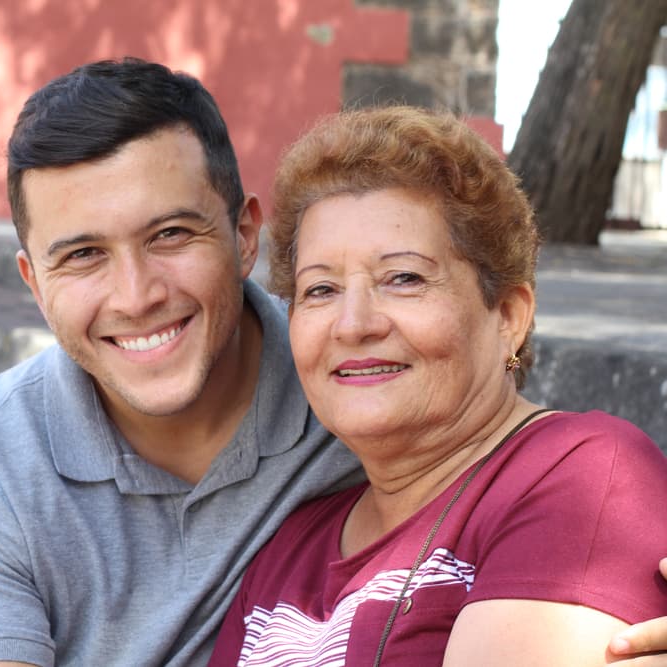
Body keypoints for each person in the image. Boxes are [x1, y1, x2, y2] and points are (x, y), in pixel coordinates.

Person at [0, 59, 667, 667]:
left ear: (243, 237)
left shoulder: (561, 472)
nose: (135, 296)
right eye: (322, 289)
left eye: (170, 234)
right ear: (34, 282)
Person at [208, 106, 667, 666]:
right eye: (321, 290)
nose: (354, 324)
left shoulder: (583, 475)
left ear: (507, 316)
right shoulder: (289, 547)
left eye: (403, 278)